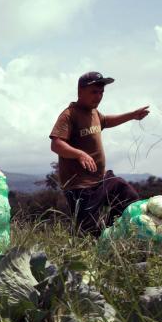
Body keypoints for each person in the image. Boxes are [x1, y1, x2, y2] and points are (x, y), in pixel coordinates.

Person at [49, 71, 150, 235]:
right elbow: (56, 144)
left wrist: (132, 115)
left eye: (101, 92)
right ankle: (100, 235)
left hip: (101, 178)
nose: (99, 96)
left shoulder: (94, 112)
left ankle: (111, 231)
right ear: (80, 91)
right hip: (80, 186)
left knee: (129, 197)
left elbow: (107, 121)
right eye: (94, 92)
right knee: (87, 234)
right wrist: (79, 154)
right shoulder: (69, 114)